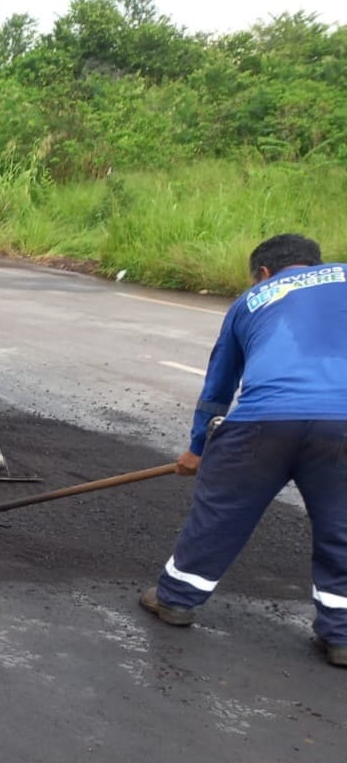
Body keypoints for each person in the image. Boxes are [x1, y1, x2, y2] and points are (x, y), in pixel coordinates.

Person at [138, 233, 347, 668]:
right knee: (342, 527)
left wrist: (198, 448)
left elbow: (218, 388)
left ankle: (175, 599)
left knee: (220, 513)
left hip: (262, 420)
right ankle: (342, 635)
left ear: (264, 273)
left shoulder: (250, 302)